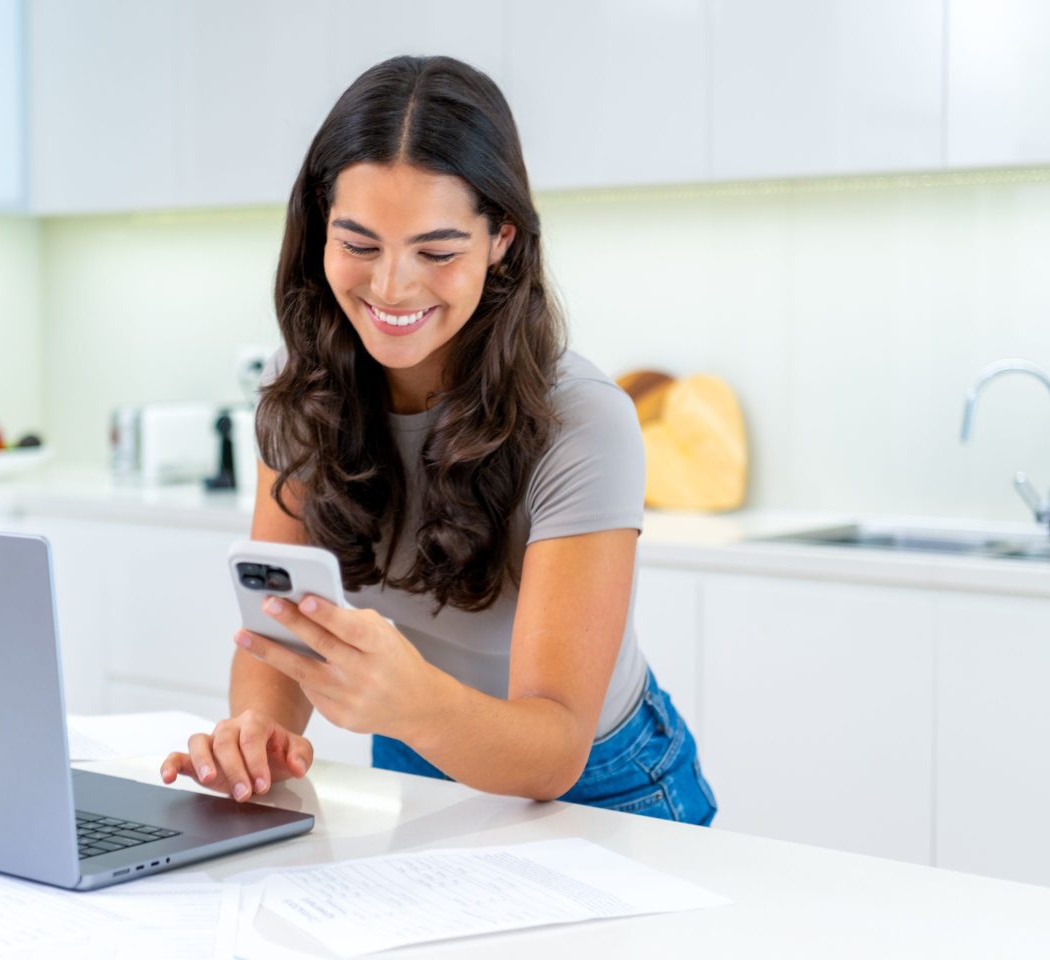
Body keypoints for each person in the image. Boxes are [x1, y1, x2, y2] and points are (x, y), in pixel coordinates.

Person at [160, 55, 716, 824]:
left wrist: (409, 705)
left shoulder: (583, 421)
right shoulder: (302, 390)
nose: (391, 287)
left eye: (437, 251)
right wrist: (258, 732)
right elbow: (280, 631)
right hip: (419, 751)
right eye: (358, 244)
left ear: (502, 240)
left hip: (605, 779)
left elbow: (555, 748)